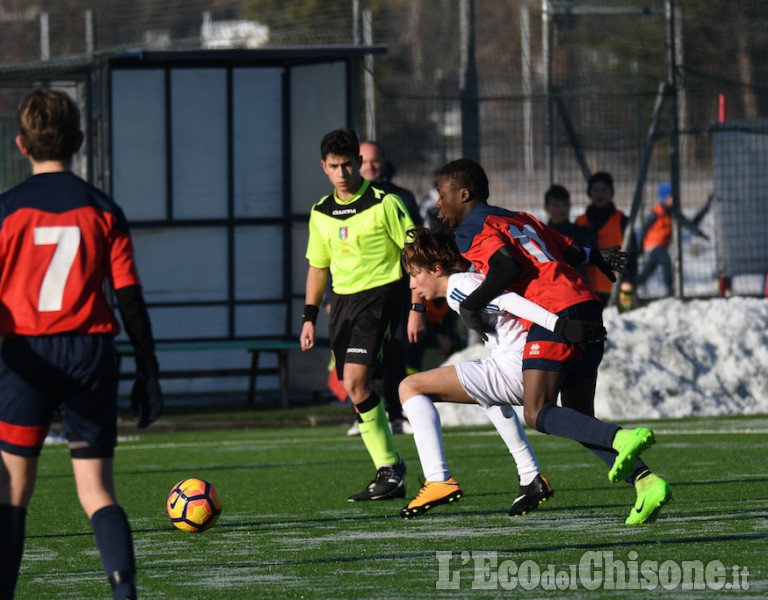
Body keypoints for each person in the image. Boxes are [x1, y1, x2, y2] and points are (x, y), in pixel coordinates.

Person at [434, 158, 671, 525]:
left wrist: (472, 305)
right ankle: (645, 481)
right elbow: (565, 247)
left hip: (555, 315)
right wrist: (597, 255)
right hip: (588, 305)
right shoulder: (517, 218)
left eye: (441, 194)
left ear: (463, 195)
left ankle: (623, 437)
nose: (438, 204)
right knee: (577, 417)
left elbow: (507, 267)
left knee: (536, 411)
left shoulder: (470, 228)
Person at [0, 89, 162, 600]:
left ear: (21, 145)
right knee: (96, 491)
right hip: (90, 354)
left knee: (12, 492)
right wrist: (148, 370)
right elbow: (130, 299)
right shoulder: (103, 209)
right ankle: (123, 590)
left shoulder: (6, 211)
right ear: (79, 141)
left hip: (24, 355)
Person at [399, 228, 608, 519]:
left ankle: (438, 479)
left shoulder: (460, 286)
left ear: (436, 269)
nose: (412, 284)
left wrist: (558, 325)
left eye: (414, 274)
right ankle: (530, 477)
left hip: (519, 369)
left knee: (410, 387)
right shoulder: (464, 284)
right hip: (525, 367)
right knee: (486, 396)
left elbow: (508, 301)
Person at [300, 129, 426, 502]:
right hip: (342, 304)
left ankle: (389, 467)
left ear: (359, 163)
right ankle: (391, 468)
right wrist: (309, 316)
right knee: (357, 389)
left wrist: (417, 306)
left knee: (357, 382)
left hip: (382, 298)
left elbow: (414, 253)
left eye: (348, 165)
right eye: (334, 167)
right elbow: (317, 267)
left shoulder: (385, 202)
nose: (342, 173)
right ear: (324, 167)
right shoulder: (320, 212)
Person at [351, 140, 423, 436]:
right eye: (364, 161)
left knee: (395, 353)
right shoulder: (346, 201)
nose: (370, 167)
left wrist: (417, 292)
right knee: (358, 357)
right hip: (357, 290)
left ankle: (395, 414)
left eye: (375, 161)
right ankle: (361, 417)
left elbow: (416, 245)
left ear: (384, 162)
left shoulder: (401, 197)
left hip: (396, 289)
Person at [575, 172, 638, 310]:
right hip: (587, 291)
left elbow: (632, 255)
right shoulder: (580, 222)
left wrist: (628, 281)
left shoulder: (622, 220)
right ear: (589, 193)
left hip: (617, 291)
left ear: (611, 193)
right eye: (595, 189)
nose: (600, 194)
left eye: (604, 189)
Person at [636, 182, 710, 297]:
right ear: (665, 197)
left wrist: (700, 233)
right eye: (672, 196)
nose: (675, 198)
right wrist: (639, 247)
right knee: (666, 261)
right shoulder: (656, 212)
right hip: (652, 246)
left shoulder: (674, 212)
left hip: (661, 246)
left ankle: (630, 285)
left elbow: (688, 224)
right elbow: (645, 229)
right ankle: (670, 290)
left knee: (647, 273)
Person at [544, 184, 594, 279]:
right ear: (547, 208)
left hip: (577, 283)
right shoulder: (543, 234)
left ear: (570, 205)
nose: (562, 209)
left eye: (565, 204)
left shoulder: (581, 232)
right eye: (556, 205)